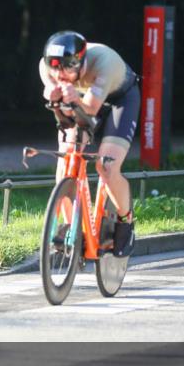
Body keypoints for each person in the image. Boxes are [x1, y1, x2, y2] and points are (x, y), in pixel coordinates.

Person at [39, 30, 140, 257]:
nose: (60, 74)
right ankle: (70, 225)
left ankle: (126, 221)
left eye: (68, 68)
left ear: (82, 63)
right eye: (55, 68)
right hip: (81, 100)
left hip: (118, 102)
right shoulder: (46, 67)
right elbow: (62, 112)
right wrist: (52, 96)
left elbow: (92, 110)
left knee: (107, 166)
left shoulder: (104, 62)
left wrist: (73, 98)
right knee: (66, 159)